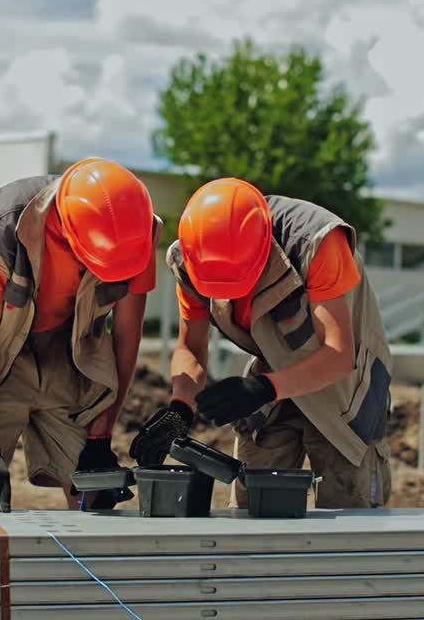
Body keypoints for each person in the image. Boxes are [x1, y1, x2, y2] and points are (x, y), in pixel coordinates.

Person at [130, 178, 394, 509]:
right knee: (253, 503)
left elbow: (338, 354)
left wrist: (262, 389)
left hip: (347, 379)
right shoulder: (190, 258)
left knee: (347, 505)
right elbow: (191, 347)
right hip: (272, 368)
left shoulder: (317, 241)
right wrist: (181, 407)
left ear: (263, 249)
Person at [0, 158, 160, 512]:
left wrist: (101, 436)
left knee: (92, 486)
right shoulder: (1, 227)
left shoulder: (133, 236)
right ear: (68, 232)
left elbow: (126, 340)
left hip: (65, 344)